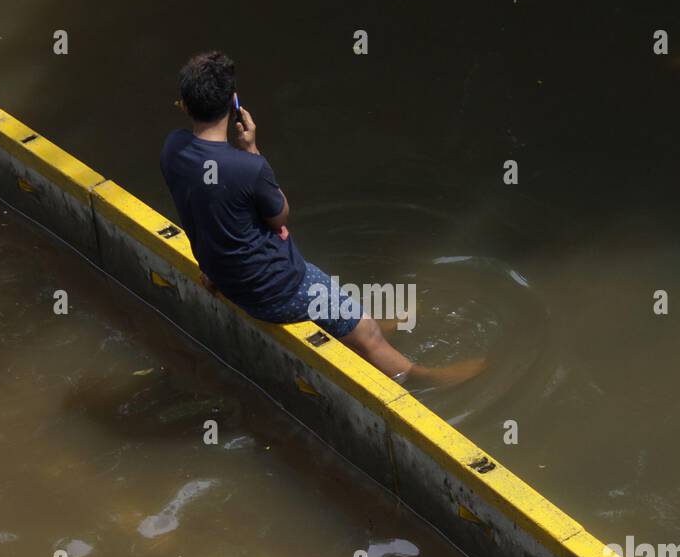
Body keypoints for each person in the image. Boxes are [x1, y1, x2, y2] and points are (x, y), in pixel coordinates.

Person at [160, 51, 484, 387]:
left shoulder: (173, 149)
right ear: (233, 104)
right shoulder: (247, 167)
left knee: (328, 291)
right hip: (275, 290)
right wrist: (252, 149)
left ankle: (358, 319)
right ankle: (417, 376)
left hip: (228, 279)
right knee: (366, 334)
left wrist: (215, 270)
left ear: (184, 105)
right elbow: (280, 215)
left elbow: (203, 209)